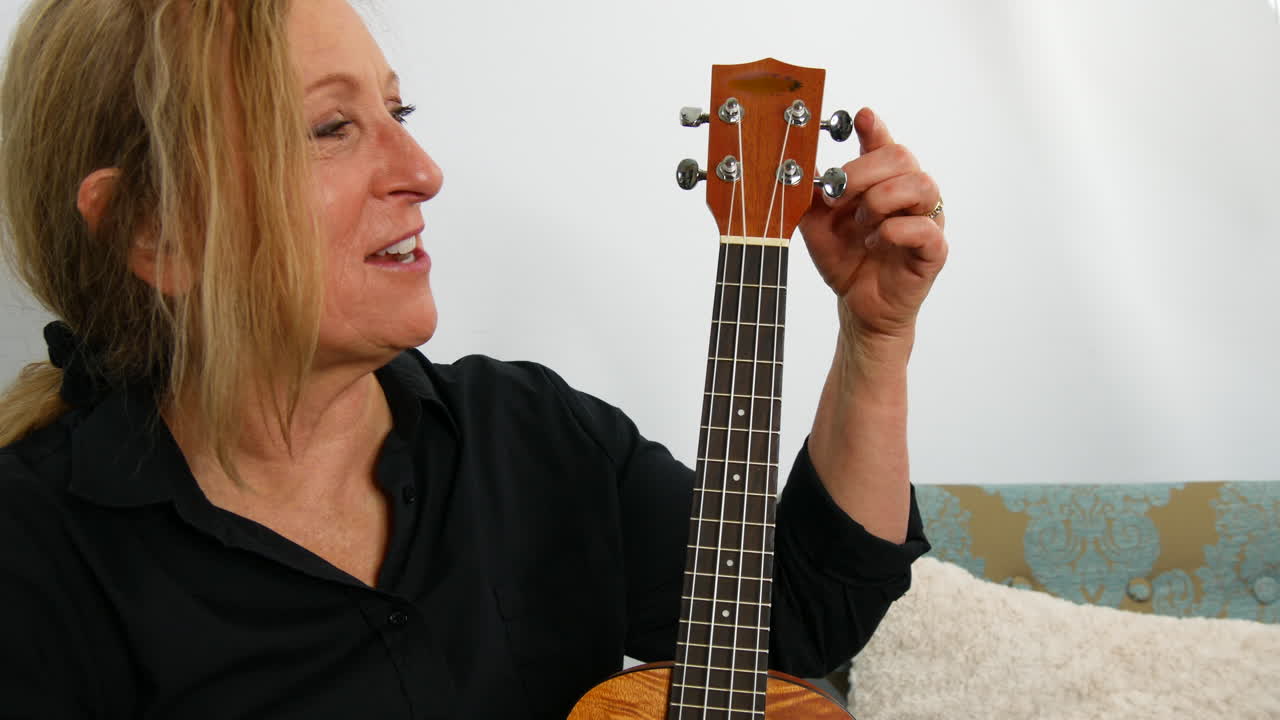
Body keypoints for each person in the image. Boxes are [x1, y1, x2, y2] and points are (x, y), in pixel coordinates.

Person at [0, 1, 946, 718]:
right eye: (332, 128)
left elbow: (798, 617)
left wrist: (876, 339)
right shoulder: (37, 556)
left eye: (399, 109)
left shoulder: (531, 433)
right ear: (158, 231)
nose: (423, 169)